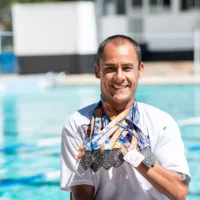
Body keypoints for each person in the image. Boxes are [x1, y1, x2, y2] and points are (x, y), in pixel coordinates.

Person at [60, 34, 191, 200]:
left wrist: (128, 151)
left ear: (140, 70)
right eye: (110, 68)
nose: (120, 77)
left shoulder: (161, 122)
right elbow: (81, 195)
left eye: (127, 68)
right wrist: (89, 160)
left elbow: (179, 191)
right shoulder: (78, 124)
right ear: (97, 71)